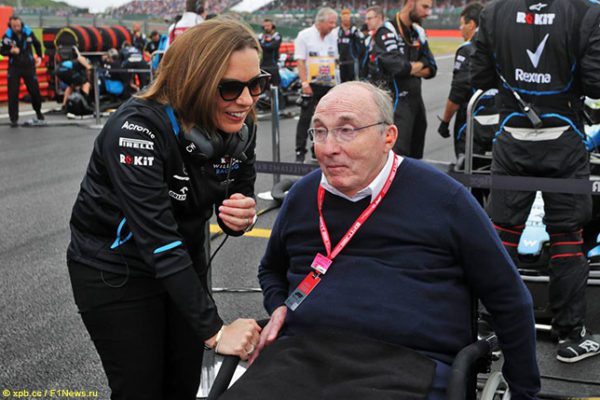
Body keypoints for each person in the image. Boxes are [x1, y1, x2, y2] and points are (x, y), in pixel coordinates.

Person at [222, 81, 540, 399]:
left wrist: (524, 393)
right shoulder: (303, 195)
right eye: (319, 132)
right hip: (301, 355)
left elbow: (509, 299)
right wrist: (279, 305)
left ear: (388, 136)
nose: (328, 147)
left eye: (346, 130)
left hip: (407, 364)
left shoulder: (444, 199)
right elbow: (271, 270)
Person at [66, 19, 268, 399]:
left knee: (183, 384)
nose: (246, 100)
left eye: (256, 84)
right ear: (195, 80)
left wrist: (240, 216)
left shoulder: (242, 125)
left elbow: (239, 194)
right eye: (230, 87)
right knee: (141, 388)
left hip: (184, 259)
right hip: (117, 268)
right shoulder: (135, 129)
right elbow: (158, 240)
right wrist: (216, 331)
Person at [471, 0, 600, 363]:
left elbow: (478, 78)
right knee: (567, 236)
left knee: (502, 234)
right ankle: (571, 335)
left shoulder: (494, 11)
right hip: (565, 140)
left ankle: (488, 329)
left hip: (511, 138)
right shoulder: (586, 11)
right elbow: (596, 83)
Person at [370, 0, 437, 159]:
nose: (427, 13)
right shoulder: (387, 30)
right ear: (410, 3)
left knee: (415, 158)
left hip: (416, 104)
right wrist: (418, 65)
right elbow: (398, 68)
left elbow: (432, 68)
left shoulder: (418, 32)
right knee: (396, 159)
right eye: (424, 7)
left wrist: (412, 67)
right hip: (396, 105)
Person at [437, 2, 483, 158]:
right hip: (497, 120)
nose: (460, 28)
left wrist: (445, 122)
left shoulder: (467, 50)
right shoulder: (496, 44)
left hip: (471, 122)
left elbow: (457, 92)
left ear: (471, 24)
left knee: (467, 165)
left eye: (462, 24)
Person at [294, 7, 339, 163]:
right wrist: (304, 83)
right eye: (331, 22)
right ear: (321, 22)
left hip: (328, 84)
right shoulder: (304, 35)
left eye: (334, 22)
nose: (333, 25)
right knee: (305, 118)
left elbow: (336, 60)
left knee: (326, 120)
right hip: (310, 84)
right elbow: (300, 61)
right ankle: (300, 151)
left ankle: (318, 149)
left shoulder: (333, 36)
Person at [0, 15, 44, 127]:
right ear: (10, 26)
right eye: (14, 26)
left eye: (18, 25)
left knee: (35, 91)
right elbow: (2, 50)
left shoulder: (28, 32)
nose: (16, 28)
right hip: (14, 67)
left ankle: (39, 113)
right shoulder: (7, 36)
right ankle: (13, 119)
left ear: (21, 24)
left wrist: (39, 57)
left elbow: (37, 44)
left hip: (28, 66)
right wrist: (10, 52)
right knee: (13, 93)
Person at [337, 8, 365, 82]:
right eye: (343, 17)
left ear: (349, 18)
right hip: (341, 61)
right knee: (342, 82)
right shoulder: (338, 30)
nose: (345, 19)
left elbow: (361, 45)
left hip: (351, 61)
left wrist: (356, 56)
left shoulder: (354, 30)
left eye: (347, 16)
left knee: (352, 81)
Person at [258, 18, 282, 87]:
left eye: (268, 26)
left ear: (272, 26)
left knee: (276, 87)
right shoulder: (260, 36)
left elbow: (271, 46)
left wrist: (262, 44)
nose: (266, 28)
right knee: (262, 87)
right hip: (262, 65)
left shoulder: (277, 36)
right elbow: (257, 45)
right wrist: (264, 44)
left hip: (273, 65)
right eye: (265, 26)